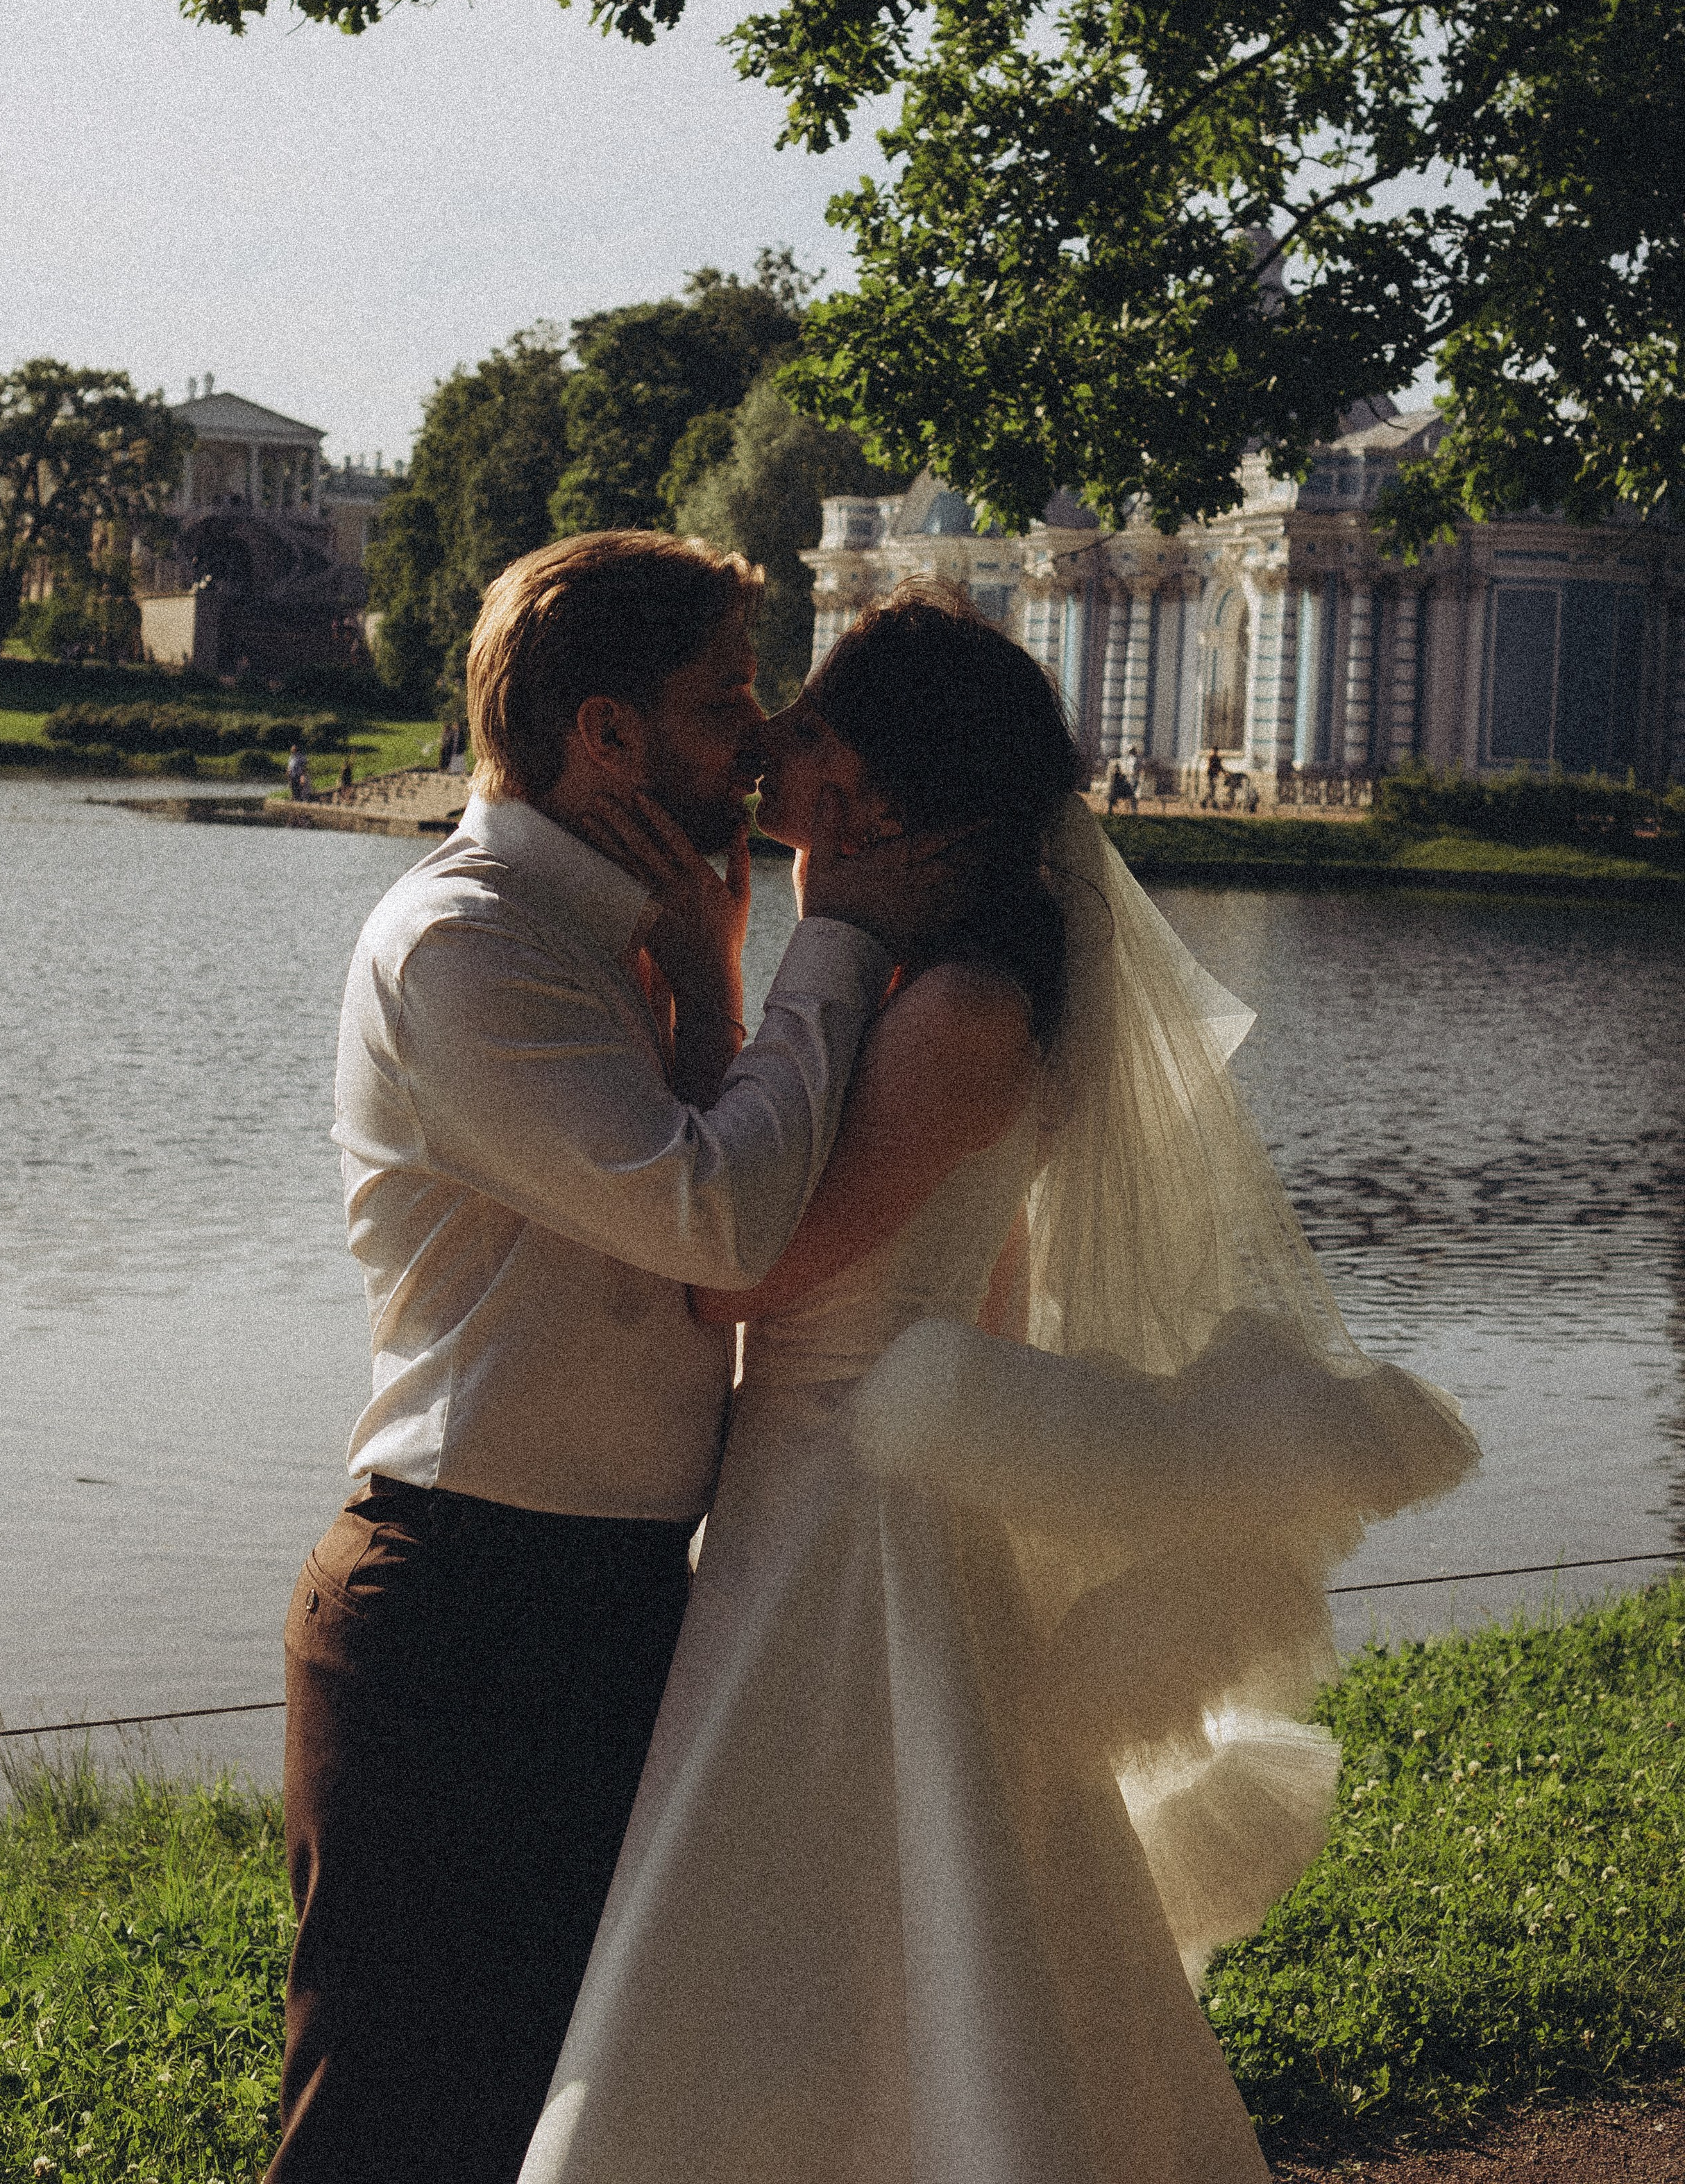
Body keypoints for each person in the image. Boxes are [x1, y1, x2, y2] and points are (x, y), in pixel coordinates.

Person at [521, 584, 1477, 2184]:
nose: (767, 745)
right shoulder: (925, 988)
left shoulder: (957, 1010)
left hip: (850, 1513)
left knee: (842, 1901)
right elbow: (979, 1283)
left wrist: (708, 964)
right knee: (853, 1914)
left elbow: (734, 1270)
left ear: (872, 790)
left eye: (805, 724)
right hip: (828, 1483)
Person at [266, 534, 950, 2184]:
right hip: (462, 1611)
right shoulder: (469, 944)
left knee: (573, 2116)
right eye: (727, 704)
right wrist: (834, 942)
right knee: (391, 2127)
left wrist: (718, 981)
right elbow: (715, 1223)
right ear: (607, 734)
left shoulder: (622, 929)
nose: (767, 741)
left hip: (612, 1600)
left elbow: (709, 1182)